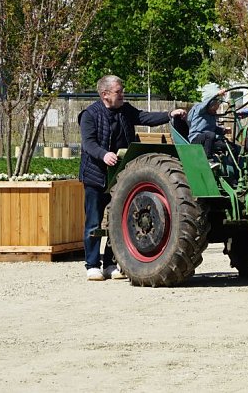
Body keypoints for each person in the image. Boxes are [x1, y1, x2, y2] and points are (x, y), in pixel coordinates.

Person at [78, 75, 186, 282]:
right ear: (105, 94)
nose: (122, 95)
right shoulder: (89, 115)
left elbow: (145, 118)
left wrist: (169, 115)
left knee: (116, 220)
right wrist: (103, 154)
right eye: (119, 92)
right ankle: (92, 265)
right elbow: (88, 144)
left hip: (120, 177)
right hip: (96, 176)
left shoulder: (125, 110)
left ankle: (110, 264)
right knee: (93, 221)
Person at [187, 84, 229, 158]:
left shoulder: (211, 115)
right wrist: (217, 94)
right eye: (216, 103)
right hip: (196, 139)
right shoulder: (199, 108)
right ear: (211, 103)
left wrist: (223, 130)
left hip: (210, 139)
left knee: (230, 147)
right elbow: (205, 103)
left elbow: (213, 128)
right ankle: (208, 160)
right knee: (210, 135)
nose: (217, 107)